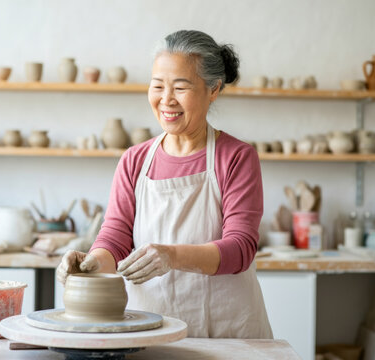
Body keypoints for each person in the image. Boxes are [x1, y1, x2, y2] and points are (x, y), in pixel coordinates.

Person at [57, 30, 273, 339]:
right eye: (158, 86)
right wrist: (90, 262)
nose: (166, 99)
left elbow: (241, 249)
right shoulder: (134, 159)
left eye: (181, 87)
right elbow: (116, 240)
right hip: (148, 327)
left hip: (225, 333)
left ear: (213, 90)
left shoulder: (237, 157)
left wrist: (170, 256)